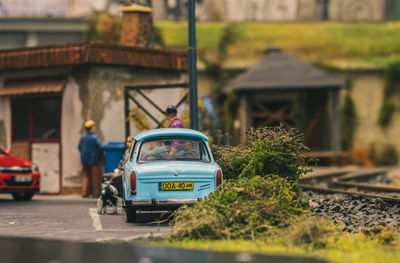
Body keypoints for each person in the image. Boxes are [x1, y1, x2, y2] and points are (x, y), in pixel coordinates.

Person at [78, 120, 104, 198]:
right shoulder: (95, 137)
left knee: (86, 176)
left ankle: (85, 193)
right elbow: (101, 147)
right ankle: (95, 194)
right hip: (94, 160)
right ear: (92, 127)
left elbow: (79, 147)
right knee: (95, 177)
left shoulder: (83, 137)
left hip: (84, 160)